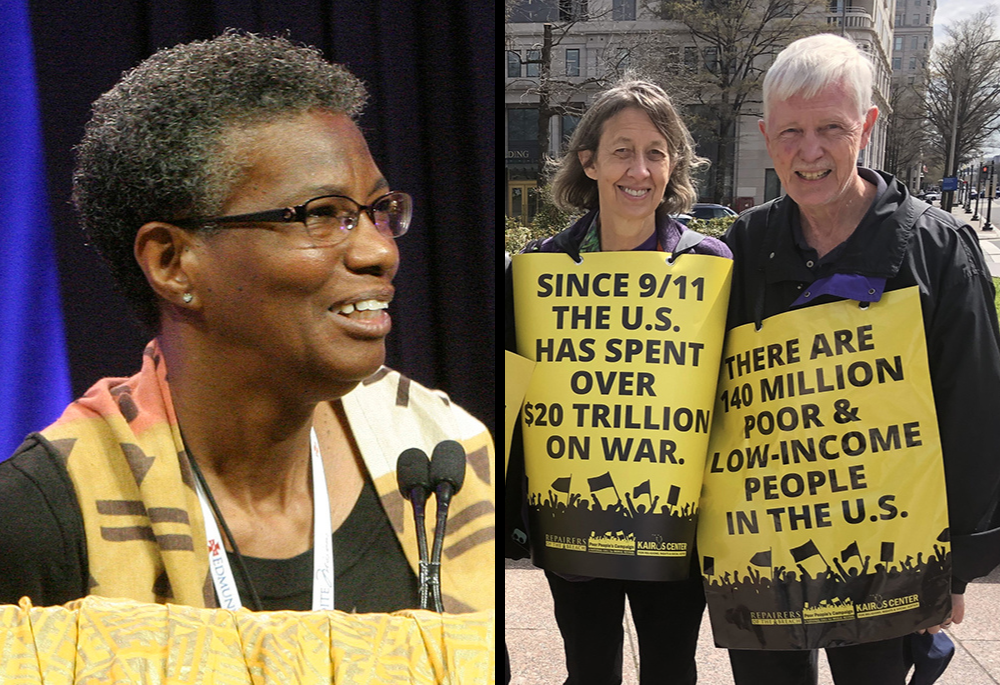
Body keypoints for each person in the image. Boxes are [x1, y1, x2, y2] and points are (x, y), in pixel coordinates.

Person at [0, 32, 495, 614]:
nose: (379, 252)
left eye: (378, 212)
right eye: (322, 215)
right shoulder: (43, 519)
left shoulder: (444, 458)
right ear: (172, 263)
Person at [721, 33, 1000, 684]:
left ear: (868, 126)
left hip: (888, 555)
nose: (809, 151)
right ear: (766, 134)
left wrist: (954, 569)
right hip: (766, 551)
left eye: (831, 128)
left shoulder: (937, 248)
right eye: (790, 131)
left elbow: (975, 417)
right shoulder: (746, 244)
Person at [505, 80, 732, 685]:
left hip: (676, 526)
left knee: (670, 667)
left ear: (675, 163)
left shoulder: (711, 266)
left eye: (656, 151)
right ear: (590, 161)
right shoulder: (538, 270)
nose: (640, 169)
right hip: (576, 518)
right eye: (622, 151)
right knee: (588, 668)